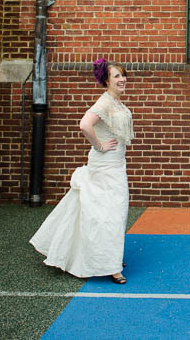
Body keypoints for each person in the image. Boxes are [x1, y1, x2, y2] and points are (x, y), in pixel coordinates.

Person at [30, 59, 134, 282]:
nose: (122, 79)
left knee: (113, 213)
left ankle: (110, 257)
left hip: (116, 164)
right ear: (106, 80)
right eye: (116, 76)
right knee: (109, 214)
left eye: (123, 75)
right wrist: (99, 145)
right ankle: (112, 267)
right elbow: (84, 124)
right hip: (104, 165)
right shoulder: (104, 102)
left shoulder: (117, 102)